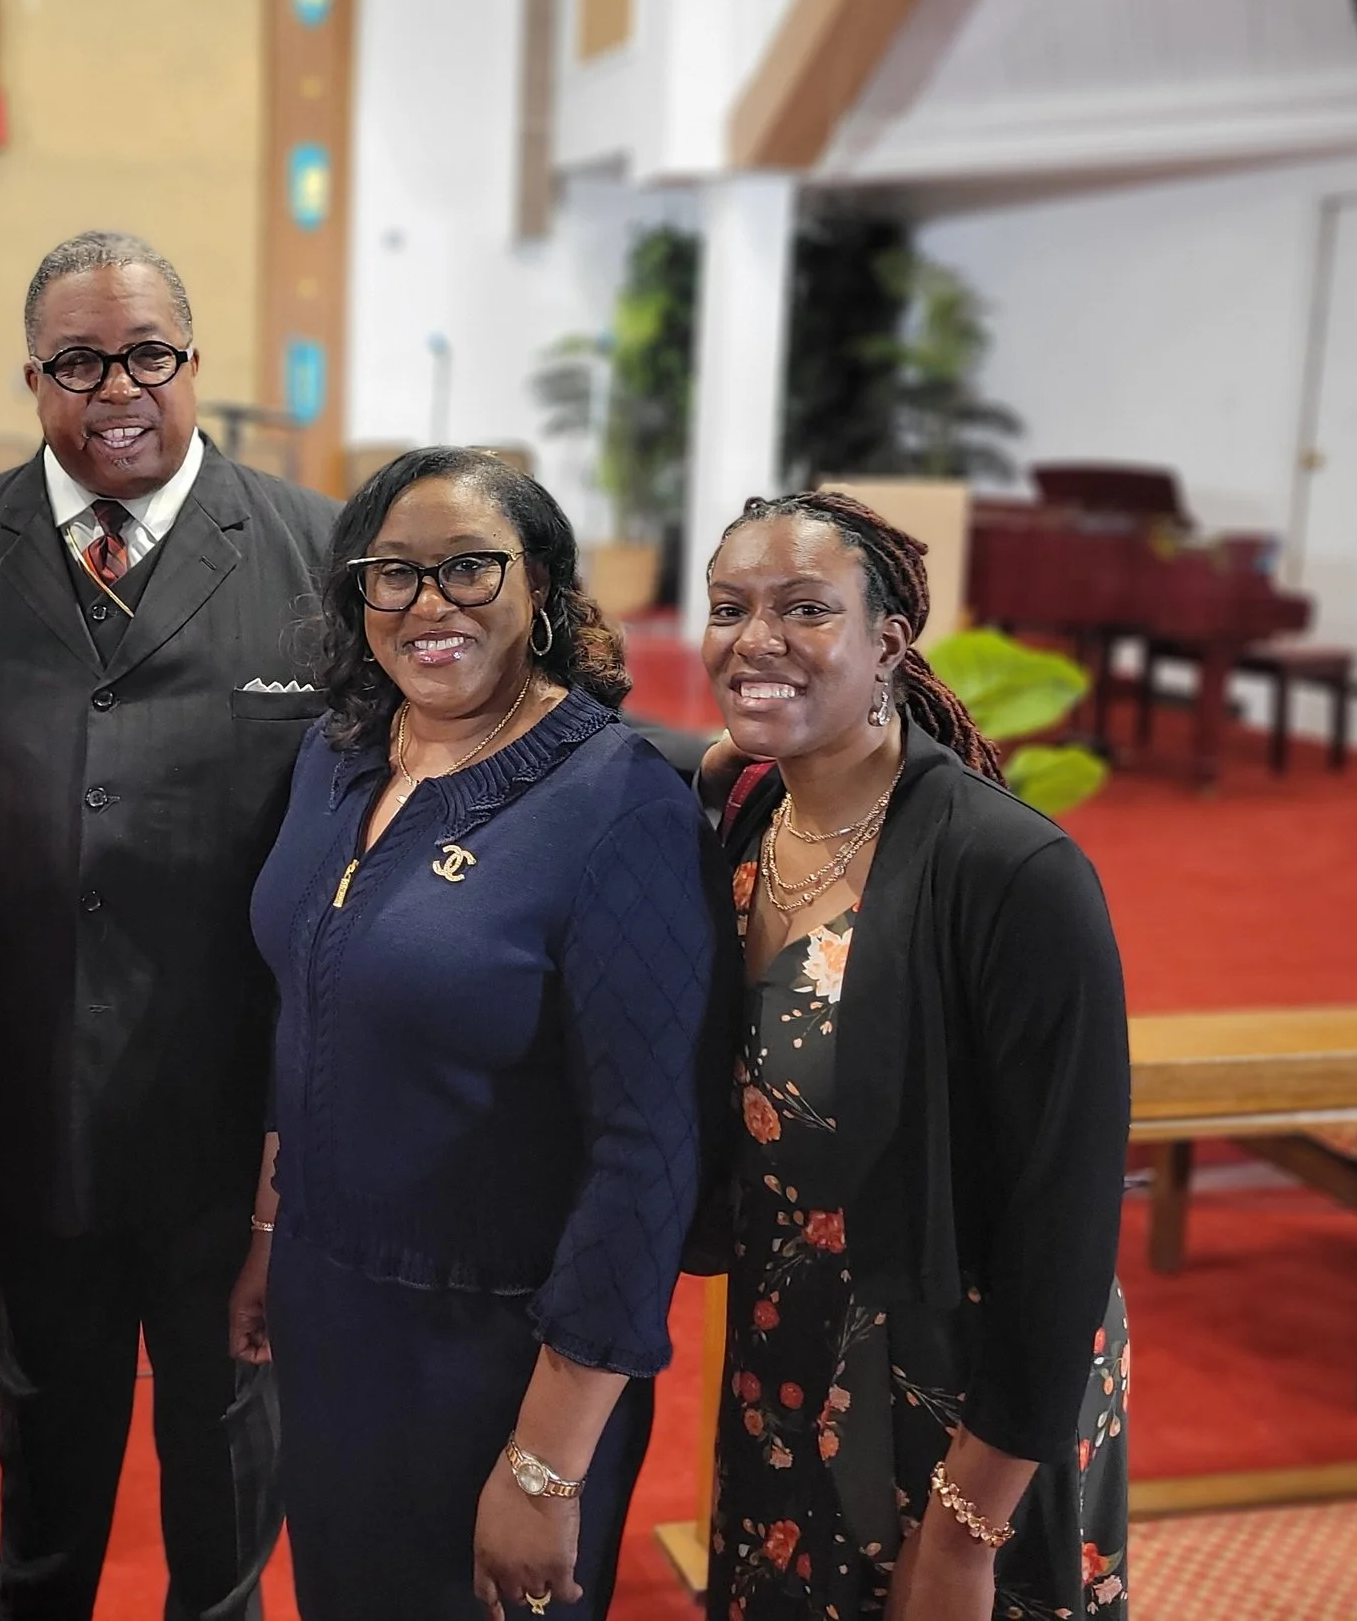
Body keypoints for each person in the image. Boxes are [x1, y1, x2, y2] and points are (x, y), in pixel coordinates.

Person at [0, 231, 338, 1621]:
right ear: (34, 375)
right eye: (76, 361)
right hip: (28, 1082)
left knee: (228, 1458)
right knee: (43, 1454)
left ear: (194, 361)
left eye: (146, 354)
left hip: (238, 1108)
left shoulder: (314, 548)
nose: (116, 387)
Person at [236, 447, 717, 1620]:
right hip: (331, 1314)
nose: (427, 604)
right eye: (391, 574)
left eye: (468, 569)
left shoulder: (616, 803)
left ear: (542, 589)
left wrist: (547, 1463)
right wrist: (265, 1235)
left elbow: (643, 1155)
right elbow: (305, 1012)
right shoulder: (338, 757)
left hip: (498, 1356)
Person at [697, 491, 1130, 1621]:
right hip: (785, 1340)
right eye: (727, 608)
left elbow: (1066, 1217)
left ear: (887, 642)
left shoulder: (1010, 873)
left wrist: (968, 1525)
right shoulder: (747, 821)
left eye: (804, 610)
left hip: (968, 1379)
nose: (755, 640)